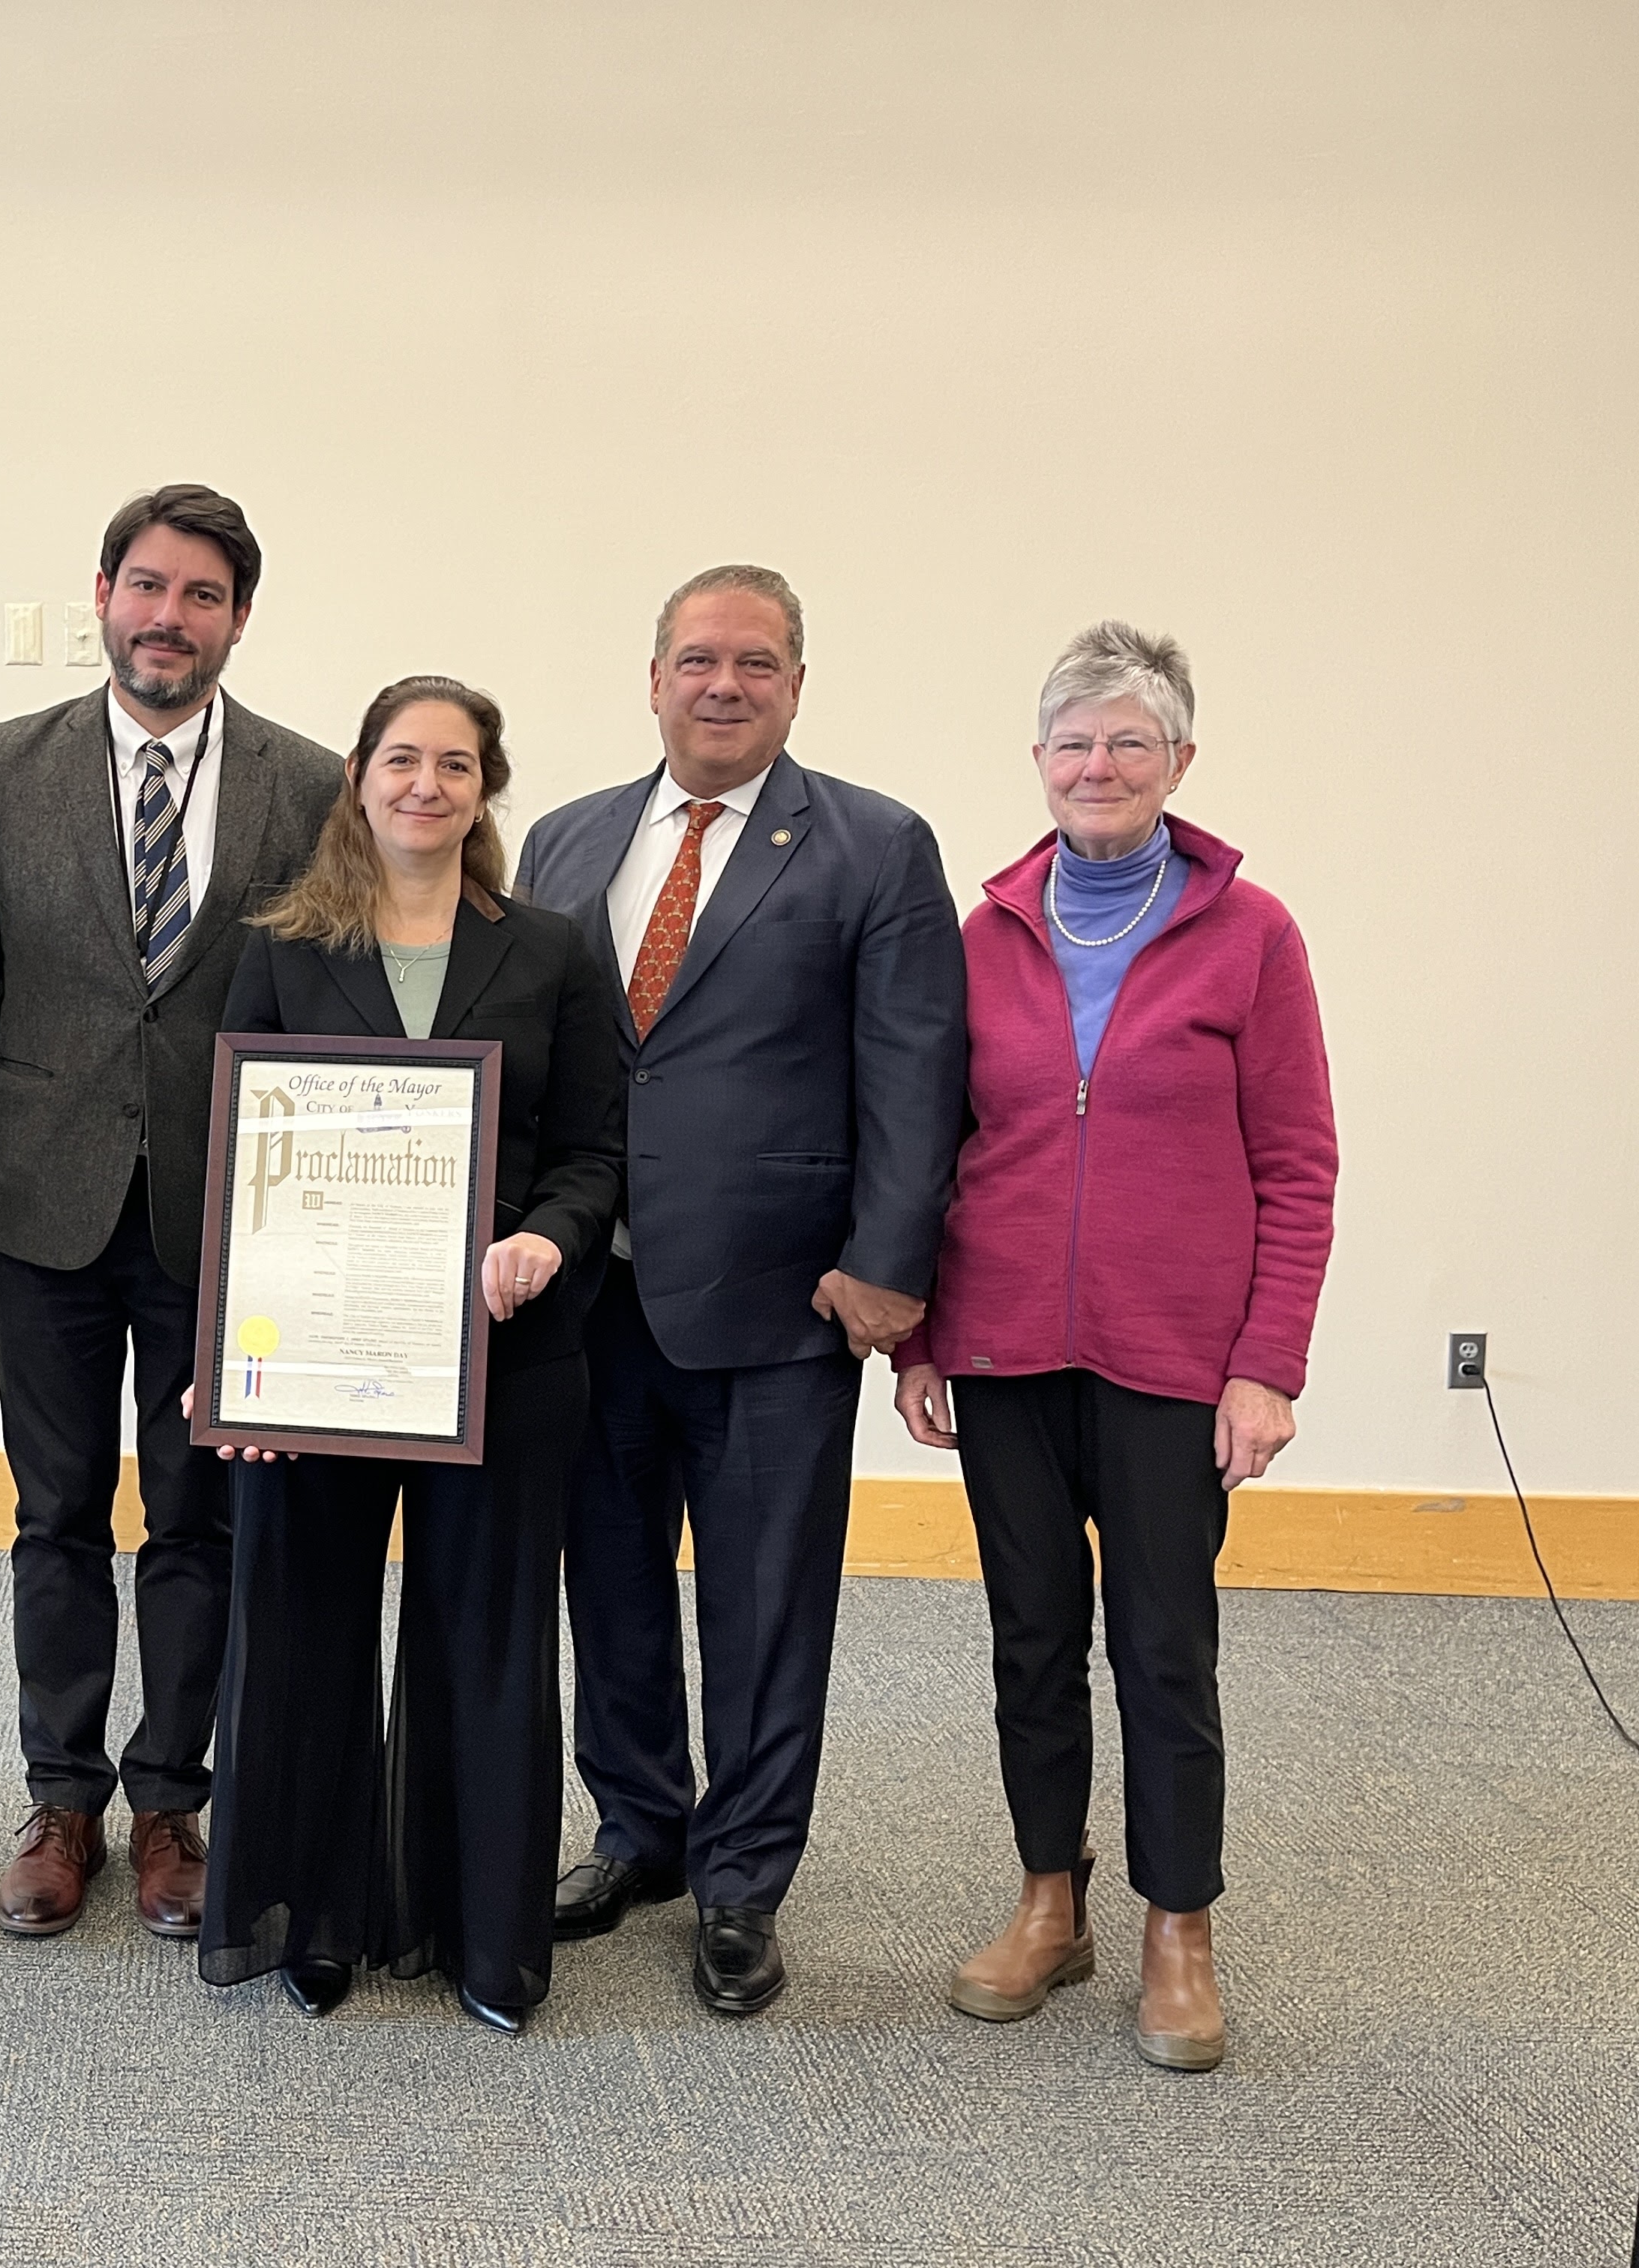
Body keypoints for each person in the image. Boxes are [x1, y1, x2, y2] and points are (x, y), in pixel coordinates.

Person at [516, 564, 967, 2016]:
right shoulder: (566, 840)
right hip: (590, 1302)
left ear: (795, 687)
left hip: (779, 1304)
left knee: (769, 1606)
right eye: (699, 659)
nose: (725, 685)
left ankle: (743, 1875)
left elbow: (917, 1071)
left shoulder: (873, 846)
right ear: (652, 678)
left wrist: (892, 1266)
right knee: (617, 1586)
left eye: (757, 664)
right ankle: (641, 1829)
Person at [893, 622, 1335, 2073]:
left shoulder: (1252, 935)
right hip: (1007, 1348)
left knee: (1162, 1645)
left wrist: (1267, 1363)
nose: (1098, 765)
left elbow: (1298, 1163)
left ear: (1179, 764)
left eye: (1128, 742)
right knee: (1031, 1638)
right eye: (1073, 743)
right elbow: (942, 1143)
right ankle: (1047, 1900)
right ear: (1038, 765)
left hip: (1171, 1360)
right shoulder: (985, 933)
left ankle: (1177, 1928)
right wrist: (923, 1336)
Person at [0, 485, 343, 1941]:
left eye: (204, 596)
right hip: (36, 1206)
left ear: (237, 619)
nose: (171, 617)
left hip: (226, 1225)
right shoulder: (1, 767)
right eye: (149, 587)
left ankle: (173, 1802)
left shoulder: (308, 781)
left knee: (198, 1518)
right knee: (52, 1514)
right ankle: (61, 1796)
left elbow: (326, 1011)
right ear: (102, 593)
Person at [197, 678, 623, 2033]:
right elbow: (234, 1161)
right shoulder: (278, 944)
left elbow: (597, 1149)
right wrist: (228, 1356)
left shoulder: (553, 947)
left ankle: (476, 1934)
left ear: (485, 787)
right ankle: (312, 1920)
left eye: (455, 764)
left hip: (506, 1344)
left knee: (485, 1634)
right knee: (304, 1623)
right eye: (401, 759)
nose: (425, 784)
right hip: (316, 1349)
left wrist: (551, 1241)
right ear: (360, 778)